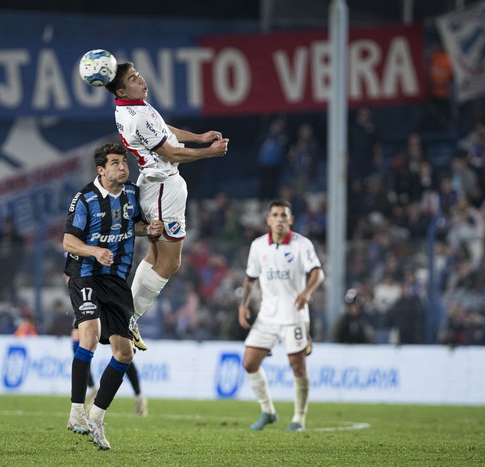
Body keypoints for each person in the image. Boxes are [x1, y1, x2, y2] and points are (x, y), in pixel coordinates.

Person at [105, 61, 229, 350]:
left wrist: (198, 137)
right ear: (122, 89)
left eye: (139, 74)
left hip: (159, 184)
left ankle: (128, 316)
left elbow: (162, 130)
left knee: (154, 257)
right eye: (134, 78)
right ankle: (128, 317)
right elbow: (171, 151)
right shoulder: (135, 117)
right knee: (170, 262)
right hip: (162, 188)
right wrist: (209, 152)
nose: (142, 79)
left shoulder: (133, 107)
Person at [63, 142, 162, 450]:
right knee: (89, 337)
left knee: (124, 353)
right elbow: (68, 241)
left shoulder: (132, 194)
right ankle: (75, 412)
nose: (123, 166)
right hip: (86, 274)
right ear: (101, 169)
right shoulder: (85, 198)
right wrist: (94, 251)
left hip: (117, 279)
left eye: (124, 161)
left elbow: (135, 227)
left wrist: (152, 228)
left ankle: (96, 416)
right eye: (116, 162)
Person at [237, 199, 324, 432]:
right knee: (249, 363)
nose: (279, 219)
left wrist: (306, 292)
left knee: (297, 366)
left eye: (284, 215)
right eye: (275, 215)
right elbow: (250, 278)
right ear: (268, 220)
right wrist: (243, 305)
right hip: (267, 315)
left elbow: (318, 273)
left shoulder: (301, 245)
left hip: (294, 315)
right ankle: (268, 411)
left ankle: (299, 418)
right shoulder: (258, 246)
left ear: (291, 220)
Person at [70, 327, 148, 417]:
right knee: (77, 335)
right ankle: (92, 389)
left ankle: (139, 396)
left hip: (114, 313)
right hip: (95, 312)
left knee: (122, 350)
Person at [0, 216, 25, 301]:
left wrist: (16, 262)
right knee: (1, 280)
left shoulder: (17, 238)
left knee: (11, 281)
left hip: (11, 264)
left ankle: (13, 297)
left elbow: (20, 252)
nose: (7, 227)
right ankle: (0, 297)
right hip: (1, 263)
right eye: (5, 225)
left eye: (9, 225)